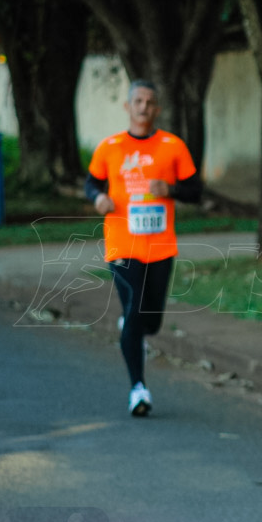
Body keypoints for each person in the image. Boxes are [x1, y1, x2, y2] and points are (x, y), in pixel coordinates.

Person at [85, 80, 202, 416]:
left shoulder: (172, 146)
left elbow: (195, 189)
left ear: (157, 109)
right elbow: (91, 182)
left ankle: (132, 328)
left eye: (150, 102)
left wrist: (171, 188)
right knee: (135, 312)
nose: (143, 107)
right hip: (122, 244)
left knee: (151, 322)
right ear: (127, 107)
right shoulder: (110, 147)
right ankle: (138, 388)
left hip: (161, 247)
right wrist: (99, 198)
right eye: (137, 101)